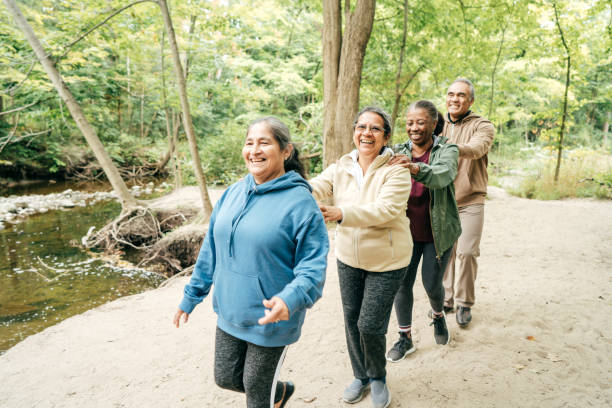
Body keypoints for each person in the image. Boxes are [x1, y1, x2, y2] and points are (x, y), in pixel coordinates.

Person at [173, 117, 329, 408]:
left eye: (264, 142)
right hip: (230, 311)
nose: (254, 150)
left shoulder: (300, 203)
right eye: (249, 142)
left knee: (257, 395)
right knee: (226, 377)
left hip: (271, 318)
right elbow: (211, 250)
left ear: (285, 151)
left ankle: (271, 395)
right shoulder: (232, 193)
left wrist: (289, 299)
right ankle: (280, 392)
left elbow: (313, 266)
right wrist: (191, 296)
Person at [309, 107, 412, 408]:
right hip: (348, 258)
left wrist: (341, 213)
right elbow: (317, 185)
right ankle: (361, 375)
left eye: (375, 129)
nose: (366, 133)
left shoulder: (396, 169)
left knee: (369, 324)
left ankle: (378, 377)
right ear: (354, 130)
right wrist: (289, 187)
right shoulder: (341, 166)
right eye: (361, 127)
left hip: (388, 261)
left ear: (386, 136)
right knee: (352, 320)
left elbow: (386, 210)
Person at [385, 100, 462, 362]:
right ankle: (405, 337)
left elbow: (444, 175)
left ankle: (438, 315)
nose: (413, 127)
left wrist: (415, 167)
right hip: (405, 231)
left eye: (420, 122)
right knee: (401, 283)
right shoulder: (396, 150)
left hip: (438, 232)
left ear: (433, 123)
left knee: (431, 283)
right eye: (409, 122)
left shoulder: (448, 149)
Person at [442, 78, 495, 328]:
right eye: (451, 94)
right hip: (443, 200)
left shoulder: (482, 125)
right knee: (446, 252)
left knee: (466, 251)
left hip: (471, 199)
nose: (455, 99)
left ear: (470, 100)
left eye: (461, 95)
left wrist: (448, 147)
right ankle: (447, 298)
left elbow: (477, 149)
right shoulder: (437, 124)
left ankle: (464, 302)